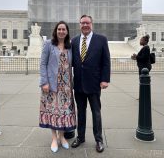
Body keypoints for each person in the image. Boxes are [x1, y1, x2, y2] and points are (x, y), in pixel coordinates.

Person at [71, 15, 111, 153]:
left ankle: (99, 140)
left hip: (94, 84)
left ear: (92, 24)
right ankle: (80, 137)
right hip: (78, 84)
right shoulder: (74, 41)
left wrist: (105, 79)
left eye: (87, 22)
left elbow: (106, 62)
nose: (85, 25)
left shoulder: (101, 39)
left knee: (96, 113)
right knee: (80, 112)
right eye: (82, 23)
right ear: (79, 25)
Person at [39, 21, 76, 153]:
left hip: (66, 87)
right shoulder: (49, 44)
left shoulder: (69, 46)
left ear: (67, 32)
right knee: (53, 111)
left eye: (63, 29)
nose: (61, 31)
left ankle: (62, 137)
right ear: (56, 31)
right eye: (59, 29)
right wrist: (44, 82)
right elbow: (43, 64)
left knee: (64, 112)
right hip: (52, 85)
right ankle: (54, 138)